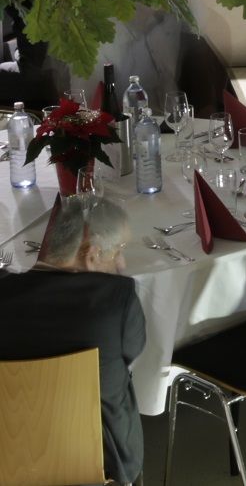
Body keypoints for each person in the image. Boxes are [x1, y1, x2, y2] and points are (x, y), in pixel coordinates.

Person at [0, 196, 146, 486]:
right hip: (102, 460)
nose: (122, 263)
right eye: (118, 251)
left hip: (10, 457)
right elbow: (133, 352)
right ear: (91, 255)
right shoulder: (119, 300)